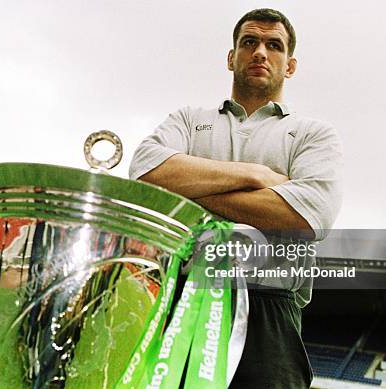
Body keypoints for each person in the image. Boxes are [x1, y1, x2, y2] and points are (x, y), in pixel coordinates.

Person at [129, 8, 343, 388]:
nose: (260, 52)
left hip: (269, 310)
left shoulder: (313, 133)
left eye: (273, 45)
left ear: (289, 65)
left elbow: (310, 216)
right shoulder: (188, 119)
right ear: (232, 57)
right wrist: (254, 175)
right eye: (249, 42)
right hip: (181, 299)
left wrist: (193, 192)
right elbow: (145, 172)